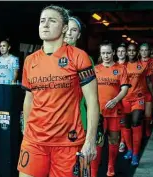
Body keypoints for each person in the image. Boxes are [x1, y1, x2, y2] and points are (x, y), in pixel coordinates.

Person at [17, 5, 102, 177]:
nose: (45, 24)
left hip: (67, 143)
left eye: (52, 20)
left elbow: (92, 102)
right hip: (34, 142)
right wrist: (26, 131)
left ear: (64, 28)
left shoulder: (79, 57)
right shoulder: (30, 61)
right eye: (42, 21)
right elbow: (29, 99)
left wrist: (90, 140)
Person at [64, 16, 103, 177]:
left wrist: (95, 129)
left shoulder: (84, 59)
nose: (69, 33)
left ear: (79, 35)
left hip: (77, 122)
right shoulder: (43, 57)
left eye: (74, 30)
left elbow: (91, 100)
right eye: (68, 29)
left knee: (77, 168)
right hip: (49, 125)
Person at [95, 40, 129, 176]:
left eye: (108, 52)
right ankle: (94, 167)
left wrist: (115, 100)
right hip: (98, 112)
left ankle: (111, 166)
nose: (106, 55)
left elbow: (125, 88)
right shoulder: (95, 69)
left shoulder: (121, 69)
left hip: (115, 111)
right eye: (103, 53)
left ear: (113, 53)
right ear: (100, 54)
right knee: (98, 140)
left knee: (113, 140)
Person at [122, 43, 153, 166]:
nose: (131, 52)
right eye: (129, 50)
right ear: (127, 52)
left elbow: (149, 82)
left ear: (136, 52)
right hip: (125, 99)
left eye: (134, 50)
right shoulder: (122, 65)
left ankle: (136, 154)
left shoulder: (142, 65)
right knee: (127, 125)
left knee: (136, 122)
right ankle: (130, 150)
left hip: (139, 98)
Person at [139, 43, 153, 137]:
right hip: (138, 91)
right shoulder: (136, 62)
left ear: (149, 51)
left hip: (149, 90)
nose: (144, 52)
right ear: (139, 52)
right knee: (138, 113)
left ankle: (147, 128)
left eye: (146, 50)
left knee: (148, 113)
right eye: (142, 50)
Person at [116, 43, 128, 153]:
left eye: (123, 51)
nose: (121, 53)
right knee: (117, 122)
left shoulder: (130, 65)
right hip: (115, 97)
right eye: (119, 51)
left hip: (127, 97)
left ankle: (122, 142)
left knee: (124, 121)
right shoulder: (113, 65)